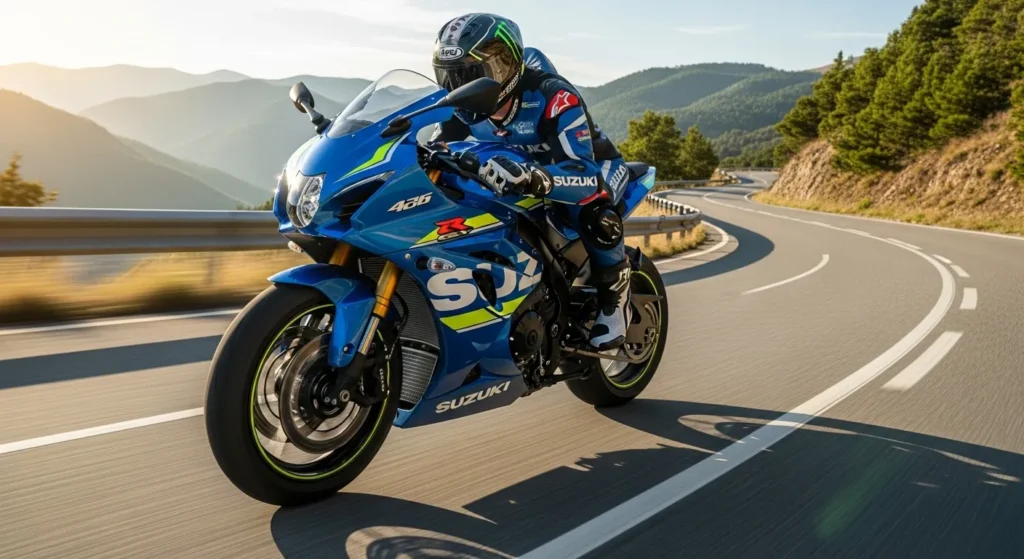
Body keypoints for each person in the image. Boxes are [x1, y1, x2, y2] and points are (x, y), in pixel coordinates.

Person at [430, 13, 633, 351]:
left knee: (595, 212)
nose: (459, 88)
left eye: (469, 74)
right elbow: (435, 147)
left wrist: (536, 176)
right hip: (523, 176)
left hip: (593, 168)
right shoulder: (461, 109)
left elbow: (585, 175)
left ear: (503, 66)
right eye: (450, 77)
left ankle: (616, 296)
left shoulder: (553, 97)